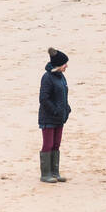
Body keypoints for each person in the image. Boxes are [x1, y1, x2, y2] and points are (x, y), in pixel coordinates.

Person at [38, 47, 71, 184]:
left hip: (60, 118)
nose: (66, 66)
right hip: (49, 117)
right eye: (64, 64)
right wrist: (55, 110)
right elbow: (43, 99)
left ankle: (55, 172)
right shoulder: (47, 78)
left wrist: (67, 109)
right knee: (48, 144)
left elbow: (63, 95)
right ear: (58, 65)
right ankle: (45, 174)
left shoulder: (61, 77)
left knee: (56, 144)